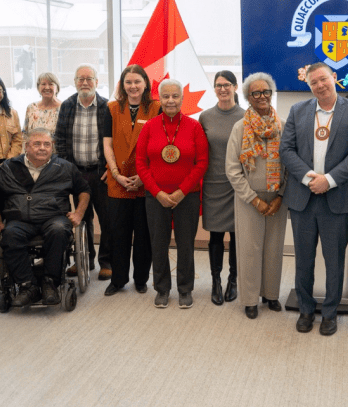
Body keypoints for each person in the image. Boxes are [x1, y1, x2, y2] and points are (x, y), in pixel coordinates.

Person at [280, 62, 348, 336]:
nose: (319, 85)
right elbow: (286, 149)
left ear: (334, 77)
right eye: (313, 83)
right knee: (303, 260)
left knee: (334, 260)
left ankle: (330, 313)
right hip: (303, 198)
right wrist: (310, 178)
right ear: (309, 86)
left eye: (323, 79)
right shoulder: (298, 111)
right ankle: (306, 310)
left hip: (338, 198)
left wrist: (328, 180)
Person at [0, 129, 91, 307]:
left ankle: (50, 282)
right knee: (10, 235)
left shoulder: (65, 167)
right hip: (19, 220)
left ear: (52, 147)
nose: (42, 148)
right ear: (26, 147)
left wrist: (79, 213)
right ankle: (28, 286)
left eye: (47, 144)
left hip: (53, 218)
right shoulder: (9, 167)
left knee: (59, 230)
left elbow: (84, 190)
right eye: (37, 144)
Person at [136, 79, 208, 309]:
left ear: (182, 99)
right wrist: (157, 192)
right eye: (165, 96)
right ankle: (162, 289)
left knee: (186, 244)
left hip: (187, 196)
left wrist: (181, 192)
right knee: (159, 243)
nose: (170, 100)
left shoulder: (194, 126)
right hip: (156, 197)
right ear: (159, 98)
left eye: (175, 96)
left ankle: (185, 289)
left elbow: (202, 162)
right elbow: (141, 163)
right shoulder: (149, 127)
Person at [225, 72, 287, 319]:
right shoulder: (240, 127)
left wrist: (281, 195)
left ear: (271, 94)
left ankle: (270, 295)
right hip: (248, 198)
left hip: (277, 198)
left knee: (273, 249)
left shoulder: (283, 125)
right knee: (249, 249)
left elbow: (291, 164)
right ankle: (250, 299)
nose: (262, 97)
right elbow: (232, 168)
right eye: (256, 93)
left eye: (266, 92)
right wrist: (254, 198)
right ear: (248, 97)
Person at [102, 65, 161, 296]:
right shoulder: (112, 108)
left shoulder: (156, 108)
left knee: (144, 234)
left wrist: (144, 177)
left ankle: (141, 279)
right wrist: (115, 174)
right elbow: (107, 143)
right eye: (128, 82)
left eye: (137, 81)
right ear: (122, 85)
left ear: (145, 83)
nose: (133, 86)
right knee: (118, 233)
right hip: (118, 180)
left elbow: (158, 146)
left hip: (145, 181)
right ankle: (117, 280)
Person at [55, 64, 112, 280]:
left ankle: (106, 262)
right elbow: (60, 139)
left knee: (106, 219)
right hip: (76, 173)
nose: (85, 82)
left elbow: (113, 141)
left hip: (101, 172)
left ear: (97, 82)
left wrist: (110, 167)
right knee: (83, 217)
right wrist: (67, 169)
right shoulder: (68, 105)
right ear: (75, 82)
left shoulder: (108, 106)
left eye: (89, 78)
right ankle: (84, 260)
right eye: (80, 79)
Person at [199, 70, 245, 305]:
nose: (223, 89)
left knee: (237, 235)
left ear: (236, 87)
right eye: (218, 85)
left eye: (227, 85)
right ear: (214, 88)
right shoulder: (205, 117)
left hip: (237, 185)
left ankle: (233, 280)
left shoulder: (246, 116)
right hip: (213, 184)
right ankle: (216, 281)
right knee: (215, 235)